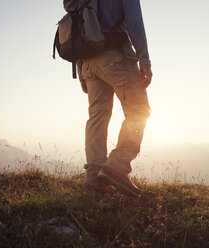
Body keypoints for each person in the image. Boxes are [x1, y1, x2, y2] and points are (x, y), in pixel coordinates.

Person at [77, 0, 152, 197]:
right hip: (115, 57)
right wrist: (144, 61)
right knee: (139, 110)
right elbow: (135, 23)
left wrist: (81, 71)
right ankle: (117, 166)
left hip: (88, 63)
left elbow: (79, 29)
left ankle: (95, 177)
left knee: (97, 117)